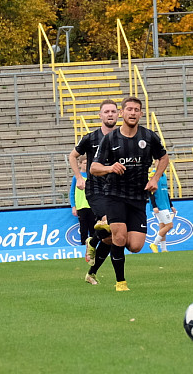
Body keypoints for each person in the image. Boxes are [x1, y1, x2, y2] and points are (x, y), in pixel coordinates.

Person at [90, 97, 169, 291]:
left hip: (138, 197)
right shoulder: (110, 138)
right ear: (122, 113)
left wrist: (154, 179)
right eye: (129, 109)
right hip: (114, 195)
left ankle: (99, 236)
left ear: (141, 113)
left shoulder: (149, 137)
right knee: (119, 238)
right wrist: (110, 168)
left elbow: (164, 157)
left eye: (136, 110)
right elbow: (94, 168)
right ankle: (121, 282)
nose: (133, 113)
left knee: (135, 246)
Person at [68, 99, 119, 285]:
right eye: (106, 111)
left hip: (116, 190)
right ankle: (91, 241)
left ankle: (91, 273)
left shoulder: (123, 137)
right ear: (100, 115)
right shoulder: (90, 138)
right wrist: (79, 177)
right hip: (96, 189)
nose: (110, 114)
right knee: (108, 220)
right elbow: (73, 156)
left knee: (110, 237)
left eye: (113, 111)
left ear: (118, 114)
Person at [148, 167, 175, 253]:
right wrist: (154, 206)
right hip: (160, 206)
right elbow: (150, 191)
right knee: (169, 225)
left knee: (163, 226)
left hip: (165, 205)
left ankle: (163, 249)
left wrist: (171, 205)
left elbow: (166, 192)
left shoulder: (164, 176)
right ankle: (154, 244)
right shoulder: (153, 174)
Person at [70, 156, 94, 245]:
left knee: (93, 228)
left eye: (88, 163)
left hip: (92, 205)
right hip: (81, 206)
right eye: (84, 163)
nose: (86, 165)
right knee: (83, 228)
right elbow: (72, 192)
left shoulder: (92, 176)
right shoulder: (76, 177)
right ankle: (83, 246)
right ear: (79, 164)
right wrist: (73, 206)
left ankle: (93, 245)